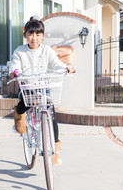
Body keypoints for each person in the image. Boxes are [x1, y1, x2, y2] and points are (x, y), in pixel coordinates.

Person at [9, 16, 75, 165]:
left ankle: (55, 148)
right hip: (27, 86)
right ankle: (19, 120)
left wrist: (65, 68)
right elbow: (15, 64)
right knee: (24, 104)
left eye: (38, 35)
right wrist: (15, 72)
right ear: (25, 35)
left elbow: (56, 63)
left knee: (51, 113)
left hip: (43, 88)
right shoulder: (20, 51)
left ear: (42, 36)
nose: (34, 38)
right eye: (31, 34)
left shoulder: (46, 50)